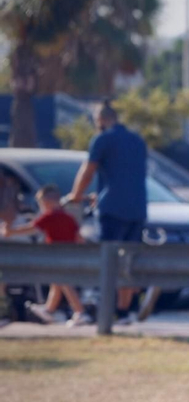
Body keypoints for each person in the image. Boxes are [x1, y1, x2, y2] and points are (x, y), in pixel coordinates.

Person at [65, 101, 151, 319]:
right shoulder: (137, 141)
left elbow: (88, 170)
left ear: (101, 119)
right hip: (138, 209)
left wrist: (75, 195)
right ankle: (124, 313)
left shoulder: (102, 139)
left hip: (113, 209)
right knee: (128, 261)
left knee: (108, 260)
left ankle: (104, 312)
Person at [3, 185, 91, 325]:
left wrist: (11, 232)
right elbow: (79, 238)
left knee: (64, 283)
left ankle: (80, 312)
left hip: (56, 256)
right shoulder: (68, 217)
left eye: (41, 203)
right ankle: (49, 310)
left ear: (47, 201)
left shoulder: (49, 216)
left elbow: (31, 228)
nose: (41, 207)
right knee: (57, 283)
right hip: (70, 255)